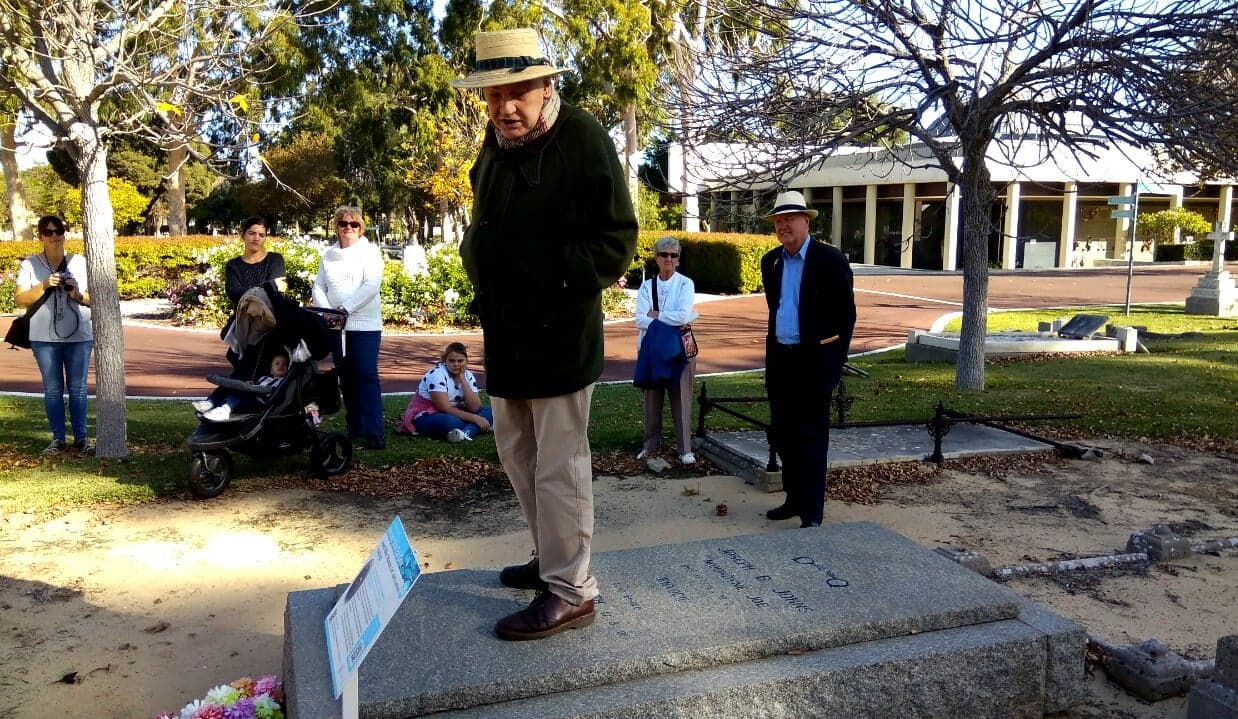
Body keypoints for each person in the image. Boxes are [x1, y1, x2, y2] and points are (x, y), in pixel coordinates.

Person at [451, 27, 638, 641]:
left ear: (547, 84)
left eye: (519, 89)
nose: (506, 105)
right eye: (494, 92)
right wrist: (477, 259)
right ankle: (550, 554)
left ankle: (570, 588)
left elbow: (616, 241)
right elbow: (487, 219)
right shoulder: (497, 141)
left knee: (559, 464)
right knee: (517, 452)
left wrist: (550, 282)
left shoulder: (582, 137)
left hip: (559, 331)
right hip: (507, 331)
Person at [760, 190, 856, 529]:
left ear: (806, 220)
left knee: (811, 437)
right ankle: (794, 497)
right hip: (781, 361)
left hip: (813, 362)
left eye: (789, 219)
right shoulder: (770, 262)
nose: (783, 225)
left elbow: (846, 316)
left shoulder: (830, 260)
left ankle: (812, 510)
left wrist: (833, 364)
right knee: (783, 434)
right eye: (778, 220)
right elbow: (777, 310)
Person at [13, 216, 94, 456]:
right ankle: (58, 439)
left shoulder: (80, 262)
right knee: (52, 389)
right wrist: (44, 285)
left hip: (78, 335)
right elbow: (19, 299)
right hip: (43, 337)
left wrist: (76, 294)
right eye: (48, 232)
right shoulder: (30, 265)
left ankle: (81, 439)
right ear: (41, 237)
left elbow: (96, 298)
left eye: (58, 231)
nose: (55, 236)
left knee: (78, 389)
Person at [312, 206, 386, 450]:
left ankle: (374, 430)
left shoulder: (370, 252)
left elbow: (371, 285)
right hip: (336, 326)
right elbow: (319, 286)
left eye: (354, 224)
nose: (348, 228)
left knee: (365, 374)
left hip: (364, 325)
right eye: (343, 223)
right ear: (337, 226)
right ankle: (354, 426)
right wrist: (329, 312)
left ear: (361, 227)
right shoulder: (329, 255)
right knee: (346, 376)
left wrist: (345, 309)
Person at [634, 236, 698, 465]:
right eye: (664, 254)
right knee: (652, 398)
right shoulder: (646, 286)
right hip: (652, 350)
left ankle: (685, 449)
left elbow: (683, 315)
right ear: (656, 258)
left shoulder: (685, 284)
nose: (668, 259)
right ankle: (650, 445)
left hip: (681, 348)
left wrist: (656, 315)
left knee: (681, 397)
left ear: (679, 259)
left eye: (673, 255)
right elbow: (639, 319)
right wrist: (670, 319)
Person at [397, 342, 493, 442]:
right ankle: (472, 429)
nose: (456, 364)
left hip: (453, 411)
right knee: (451, 422)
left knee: (492, 411)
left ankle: (463, 433)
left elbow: (475, 407)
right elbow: (444, 408)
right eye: (451, 361)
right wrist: (476, 419)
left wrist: (463, 380)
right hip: (427, 414)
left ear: (466, 361)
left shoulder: (468, 375)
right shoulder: (436, 374)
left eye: (460, 361)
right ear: (444, 360)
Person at [199, 351, 288, 421]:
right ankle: (210, 403)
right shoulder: (263, 378)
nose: (281, 366)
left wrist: (252, 388)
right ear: (271, 370)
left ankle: (224, 410)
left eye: (285, 365)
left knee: (240, 394)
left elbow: (273, 392)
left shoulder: (282, 382)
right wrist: (249, 384)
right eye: (277, 363)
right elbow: (253, 384)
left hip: (259, 403)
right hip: (251, 393)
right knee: (228, 388)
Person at [224, 216, 286, 308]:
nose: (256, 238)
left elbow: (276, 294)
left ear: (265, 238)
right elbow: (235, 294)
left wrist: (246, 292)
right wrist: (271, 286)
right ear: (243, 236)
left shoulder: (275, 260)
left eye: (261, 235)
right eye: (252, 233)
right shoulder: (233, 265)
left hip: (272, 317)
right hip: (243, 318)